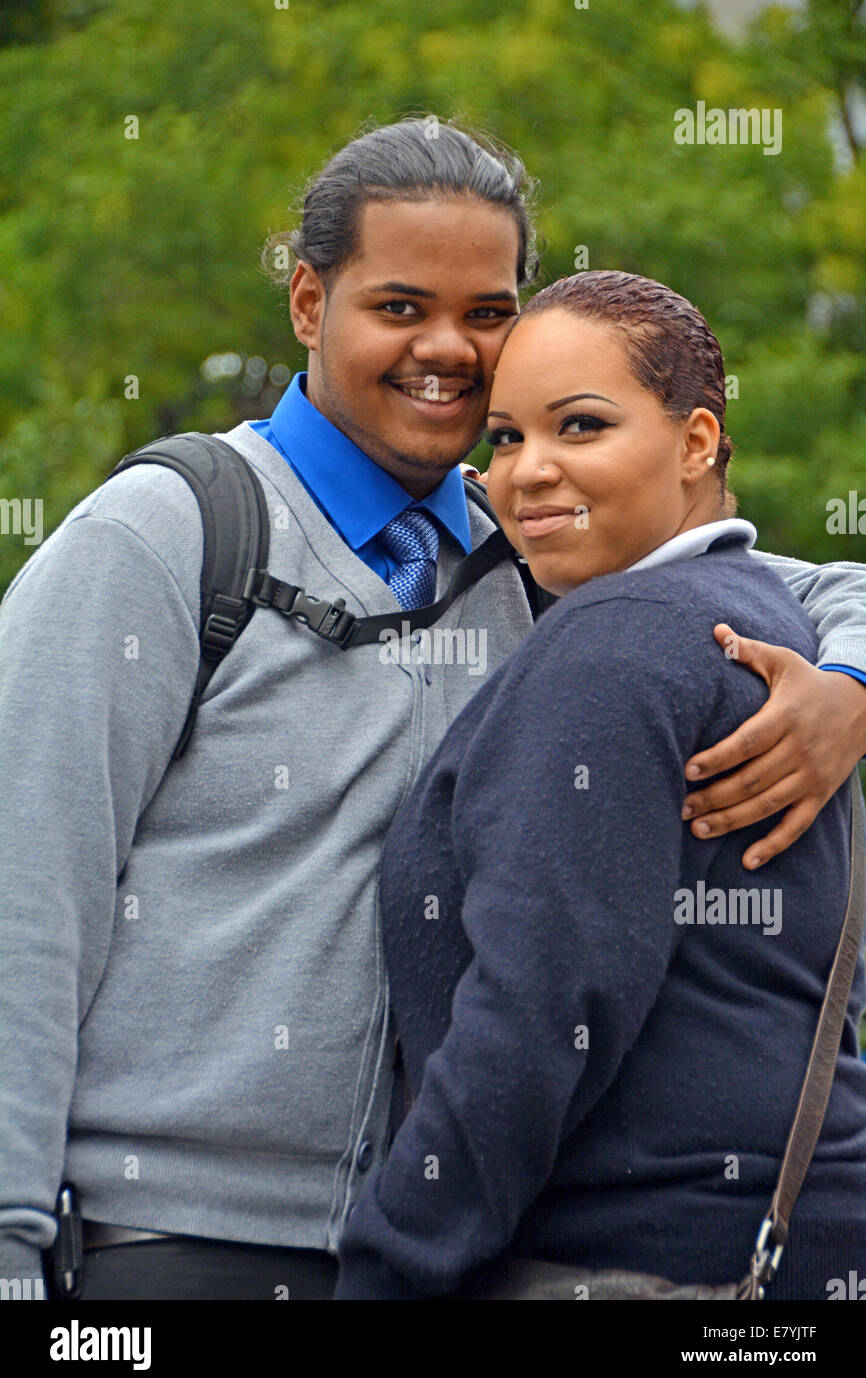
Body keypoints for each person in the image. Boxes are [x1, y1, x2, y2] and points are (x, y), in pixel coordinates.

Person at [1, 121, 865, 1303]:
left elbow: (789, 580)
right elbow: (23, 900)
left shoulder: (528, 547)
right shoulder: (167, 538)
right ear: (309, 303)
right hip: (163, 1243)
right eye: (400, 307)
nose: (448, 349)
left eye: (488, 311)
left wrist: (848, 687)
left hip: (425, 1245)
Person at [333, 270, 866, 1301]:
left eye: (578, 427)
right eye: (503, 438)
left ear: (697, 442)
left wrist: (392, 1261)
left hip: (641, 1253)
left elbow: (535, 1006)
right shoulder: (760, 623)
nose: (528, 471)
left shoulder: (616, 640)